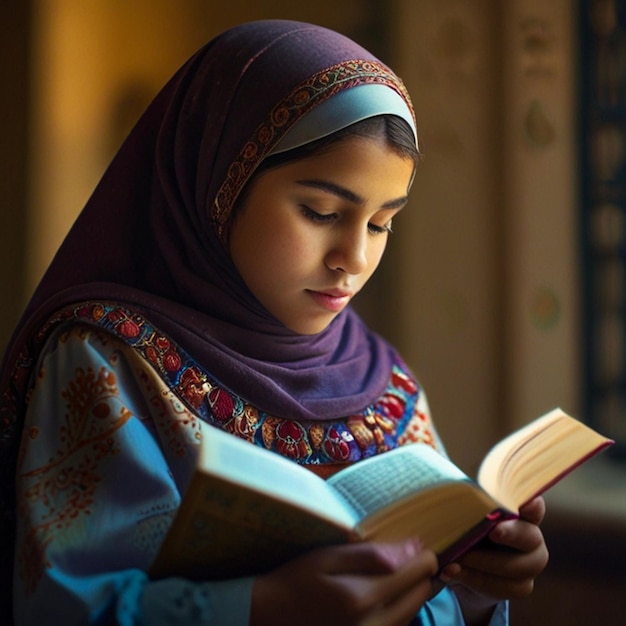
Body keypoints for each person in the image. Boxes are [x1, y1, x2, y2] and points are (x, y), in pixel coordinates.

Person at [0, 19, 548, 626]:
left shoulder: (376, 372)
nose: (354, 259)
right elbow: (61, 607)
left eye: (381, 223)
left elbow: (432, 590)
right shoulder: (106, 359)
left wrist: (475, 580)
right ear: (219, 185)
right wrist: (261, 609)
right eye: (320, 211)